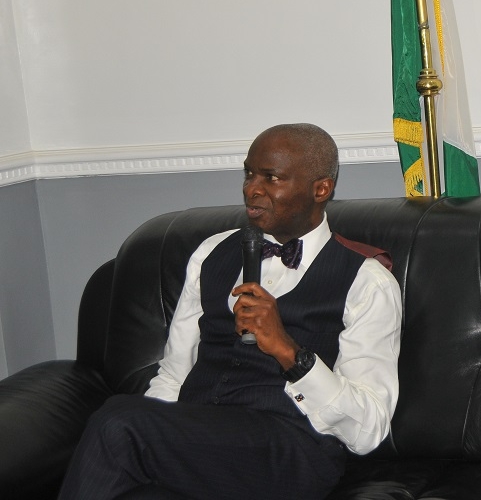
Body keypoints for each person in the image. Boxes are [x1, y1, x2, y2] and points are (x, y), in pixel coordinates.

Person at [58, 123, 403, 500]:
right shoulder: (211, 253)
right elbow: (174, 375)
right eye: (249, 174)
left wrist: (289, 351)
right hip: (201, 441)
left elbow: (369, 430)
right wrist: (152, 440)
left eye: (271, 178)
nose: (252, 189)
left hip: (289, 449)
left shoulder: (367, 281)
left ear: (321, 189)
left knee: (116, 422)